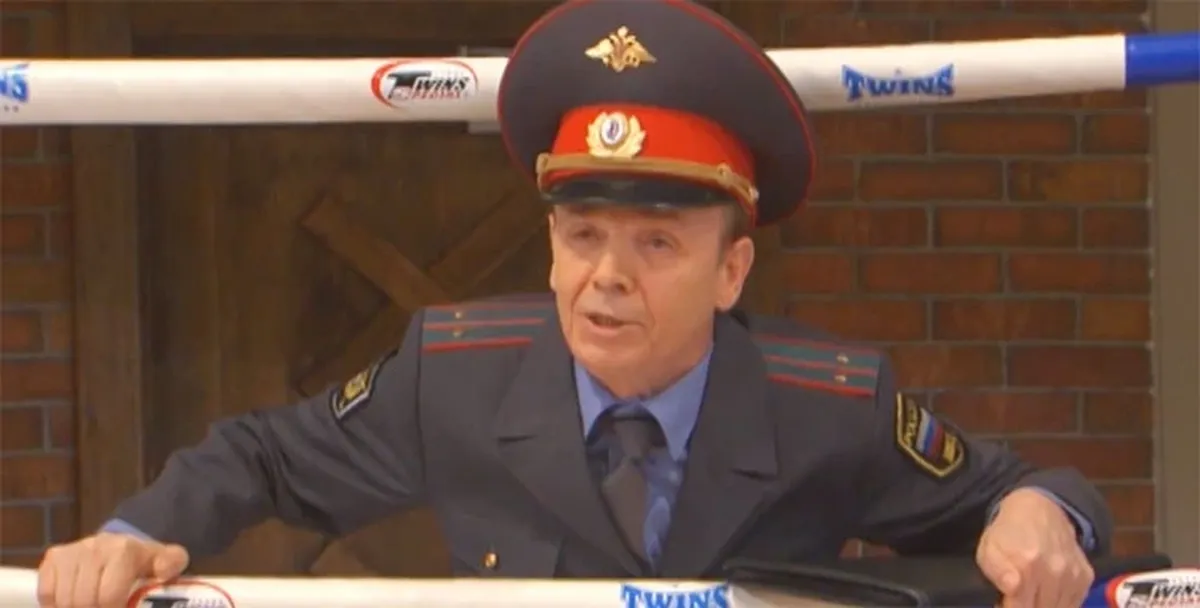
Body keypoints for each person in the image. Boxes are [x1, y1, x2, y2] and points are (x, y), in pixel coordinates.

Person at [37, 1, 1112, 607]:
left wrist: (1038, 518)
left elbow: (1027, 493)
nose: (607, 276)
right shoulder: (454, 374)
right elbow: (263, 458)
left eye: (657, 243)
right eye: (582, 234)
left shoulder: (829, 403)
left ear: (732, 272)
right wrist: (134, 535)